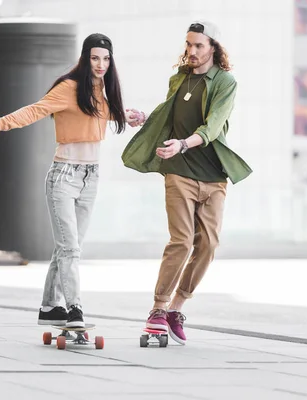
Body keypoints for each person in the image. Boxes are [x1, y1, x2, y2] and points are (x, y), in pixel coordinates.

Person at [0, 33, 126, 328]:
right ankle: (74, 309)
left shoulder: (99, 91)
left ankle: (49, 307)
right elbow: (36, 109)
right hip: (64, 176)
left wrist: (126, 115)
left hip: (90, 177)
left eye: (106, 59)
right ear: (85, 58)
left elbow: (96, 113)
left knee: (68, 248)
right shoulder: (68, 87)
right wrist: (0, 124)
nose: (101, 64)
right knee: (70, 249)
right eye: (95, 58)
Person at [123, 21, 252, 344]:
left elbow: (213, 126)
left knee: (208, 245)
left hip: (213, 175)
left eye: (198, 46)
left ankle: (176, 308)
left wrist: (184, 142)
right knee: (181, 241)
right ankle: (157, 309)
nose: (191, 51)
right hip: (179, 171)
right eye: (189, 45)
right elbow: (169, 114)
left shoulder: (225, 82)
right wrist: (144, 117)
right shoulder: (178, 78)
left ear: (213, 48)